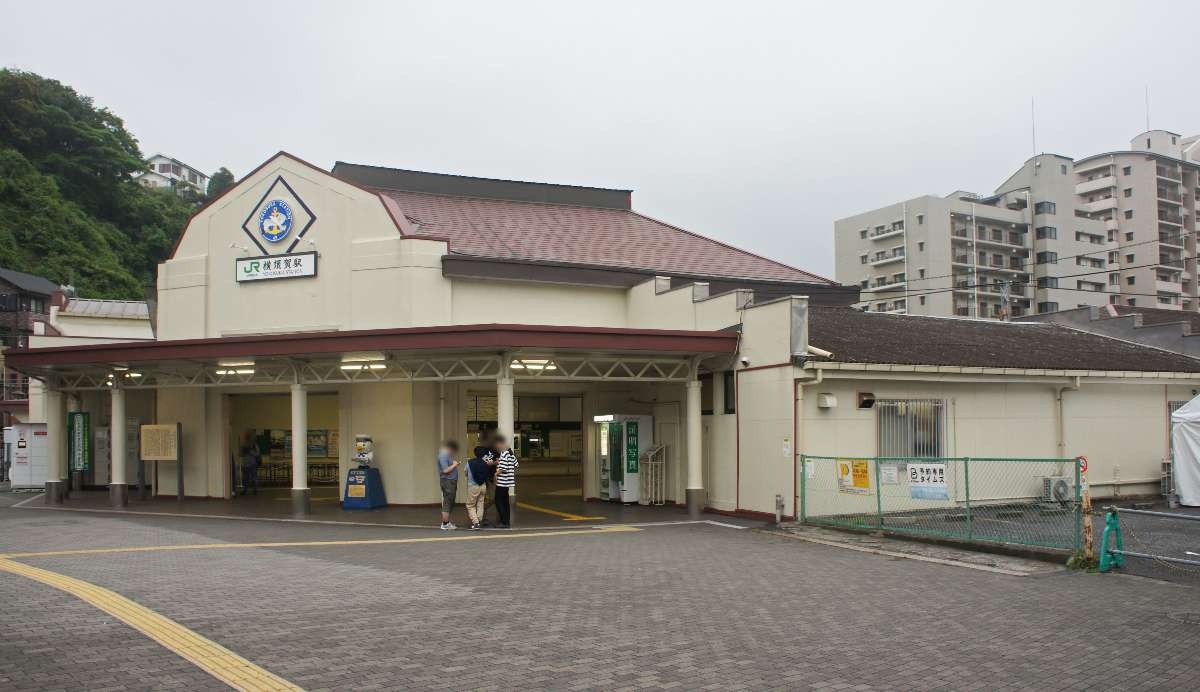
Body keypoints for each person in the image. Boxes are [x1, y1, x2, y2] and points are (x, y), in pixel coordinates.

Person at [491, 434, 519, 528]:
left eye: (496, 444)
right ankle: (506, 521)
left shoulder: (504, 454)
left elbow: (503, 468)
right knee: (505, 502)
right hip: (507, 483)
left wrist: (496, 474)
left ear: (500, 443)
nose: (496, 446)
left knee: (498, 501)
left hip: (502, 482)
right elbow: (516, 464)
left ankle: (504, 522)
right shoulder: (510, 454)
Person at [437, 440, 460, 530]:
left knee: (450, 501)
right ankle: (445, 524)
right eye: (453, 450)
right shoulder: (443, 455)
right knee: (448, 501)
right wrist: (454, 465)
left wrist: (454, 464)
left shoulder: (447, 455)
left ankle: (446, 522)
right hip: (448, 482)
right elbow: (445, 470)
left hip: (450, 481)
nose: (453, 452)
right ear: (450, 448)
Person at [465, 451, 490, 530]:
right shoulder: (485, 462)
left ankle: (475, 523)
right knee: (480, 503)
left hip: (473, 486)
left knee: (470, 505)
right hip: (483, 486)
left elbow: (465, 472)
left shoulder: (470, 462)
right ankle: (478, 521)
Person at [239, 430, 260, 497]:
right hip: (245, 464)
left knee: (254, 478)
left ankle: (255, 490)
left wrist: (250, 451)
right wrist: (243, 452)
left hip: (252, 464)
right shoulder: (243, 445)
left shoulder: (254, 445)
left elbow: (257, 454)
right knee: (245, 478)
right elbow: (240, 454)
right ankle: (244, 490)